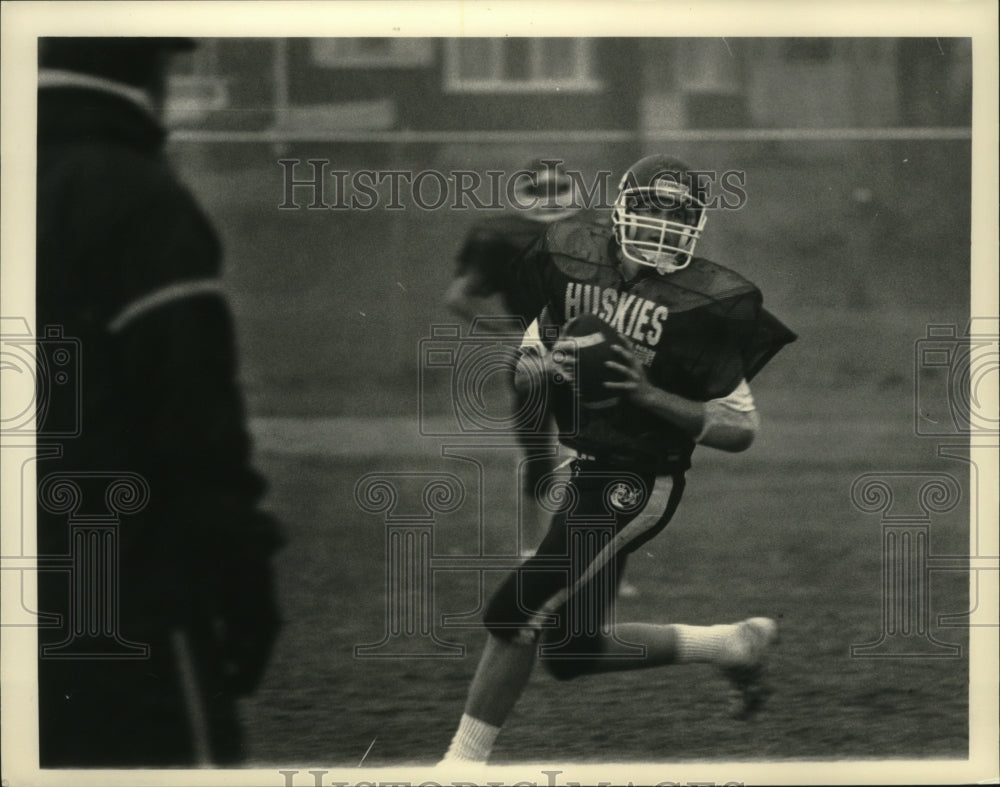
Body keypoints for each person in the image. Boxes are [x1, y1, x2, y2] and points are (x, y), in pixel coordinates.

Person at [440, 154, 796, 764]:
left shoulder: (706, 301)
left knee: (516, 609)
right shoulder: (574, 262)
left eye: (677, 214)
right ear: (620, 210)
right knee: (573, 651)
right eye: (651, 208)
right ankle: (733, 646)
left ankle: (459, 767)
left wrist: (643, 393)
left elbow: (741, 428)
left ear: (698, 223)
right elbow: (535, 346)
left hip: (638, 480)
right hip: (587, 466)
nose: (662, 225)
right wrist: (544, 365)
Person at [35, 37, 284, 766]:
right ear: (148, 66)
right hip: (114, 589)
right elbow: (189, 413)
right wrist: (242, 571)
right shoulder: (131, 193)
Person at [444, 158, 581, 557]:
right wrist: (508, 332)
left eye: (555, 189)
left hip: (554, 355)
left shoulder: (594, 229)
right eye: (542, 190)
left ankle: (544, 552)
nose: (550, 199)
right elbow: (458, 297)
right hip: (556, 355)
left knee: (576, 459)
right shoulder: (502, 235)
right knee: (552, 457)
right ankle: (536, 552)